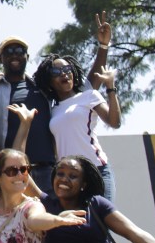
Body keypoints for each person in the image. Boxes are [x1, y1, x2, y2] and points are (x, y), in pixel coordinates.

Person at [33, 12, 120, 201]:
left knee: (103, 223)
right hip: (70, 177)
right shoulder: (52, 110)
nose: (64, 74)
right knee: (80, 227)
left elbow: (114, 122)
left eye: (67, 69)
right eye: (57, 71)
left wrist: (110, 88)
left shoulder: (88, 96)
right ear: (49, 81)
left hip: (97, 170)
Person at [0, 36, 56, 193]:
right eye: (9, 51)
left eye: (20, 51)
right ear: (1, 59)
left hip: (47, 169)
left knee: (51, 215)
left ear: (27, 57)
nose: (14, 55)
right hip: (14, 172)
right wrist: (1, 167)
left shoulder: (43, 88)